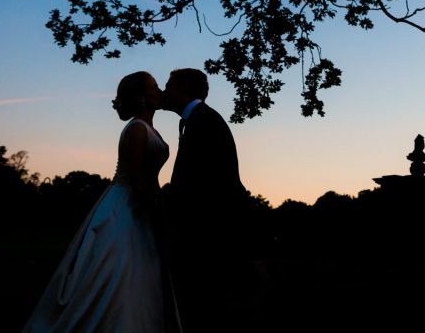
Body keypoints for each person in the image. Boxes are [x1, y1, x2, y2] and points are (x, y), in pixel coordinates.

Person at [22, 71, 181, 333]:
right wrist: (154, 211)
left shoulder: (149, 128)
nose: (159, 90)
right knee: (118, 269)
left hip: (145, 200)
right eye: (154, 86)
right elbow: (136, 177)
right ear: (142, 97)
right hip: (127, 206)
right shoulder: (136, 130)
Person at [162, 68, 253, 332]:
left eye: (169, 86)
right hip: (207, 233)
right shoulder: (196, 119)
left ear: (183, 90)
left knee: (208, 310)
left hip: (209, 235)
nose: (165, 93)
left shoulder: (204, 121)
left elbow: (203, 184)